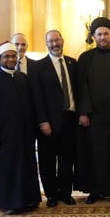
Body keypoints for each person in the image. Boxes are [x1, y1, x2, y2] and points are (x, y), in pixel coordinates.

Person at [0, 42, 41, 214]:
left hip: (25, 134)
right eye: (6, 56)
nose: (10, 59)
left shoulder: (23, 78)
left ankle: (29, 200)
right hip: (4, 135)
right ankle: (9, 203)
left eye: (13, 56)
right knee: (8, 168)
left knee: (27, 166)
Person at [76, 17, 110, 204]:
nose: (103, 37)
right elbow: (80, 87)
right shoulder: (85, 58)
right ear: (94, 36)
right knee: (95, 154)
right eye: (100, 34)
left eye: (106, 34)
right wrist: (83, 112)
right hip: (93, 117)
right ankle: (95, 191)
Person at [30, 30, 78, 207]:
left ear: (62, 41)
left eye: (57, 40)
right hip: (48, 122)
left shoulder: (73, 63)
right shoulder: (38, 66)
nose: (54, 44)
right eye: (50, 41)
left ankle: (65, 193)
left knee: (67, 159)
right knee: (47, 160)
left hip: (70, 119)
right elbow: (37, 97)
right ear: (46, 44)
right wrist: (43, 121)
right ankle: (51, 194)